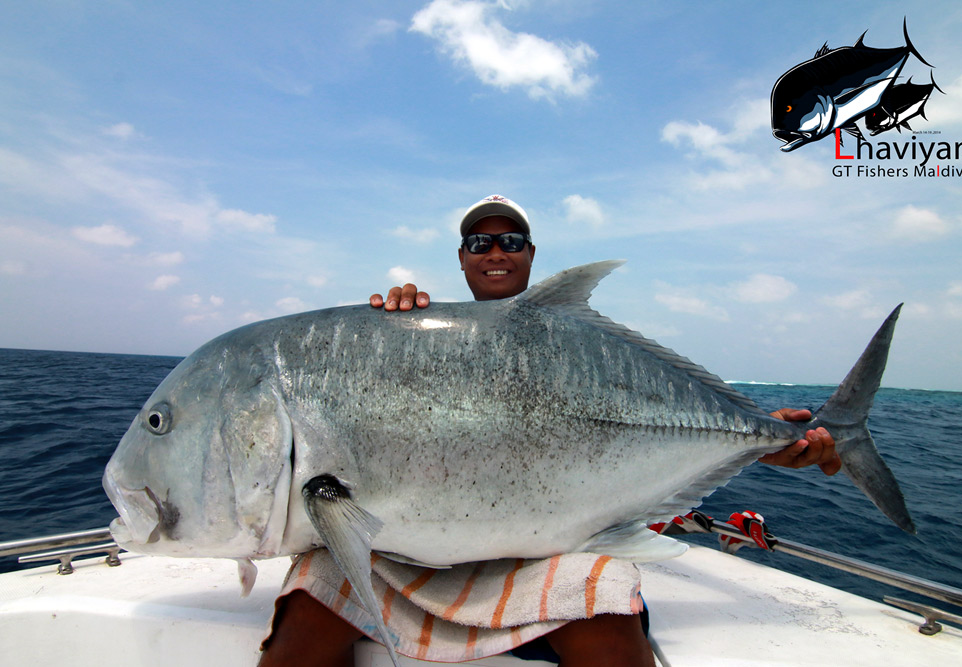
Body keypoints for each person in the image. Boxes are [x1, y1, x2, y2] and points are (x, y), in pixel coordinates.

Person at [260, 195, 839, 667]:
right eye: (478, 242)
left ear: (530, 254)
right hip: (408, 555)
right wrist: (373, 332)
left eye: (510, 242)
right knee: (303, 621)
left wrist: (764, 442)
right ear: (461, 257)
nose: (495, 252)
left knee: (611, 630)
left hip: (555, 549)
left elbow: (647, 431)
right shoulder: (406, 332)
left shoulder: (582, 352)